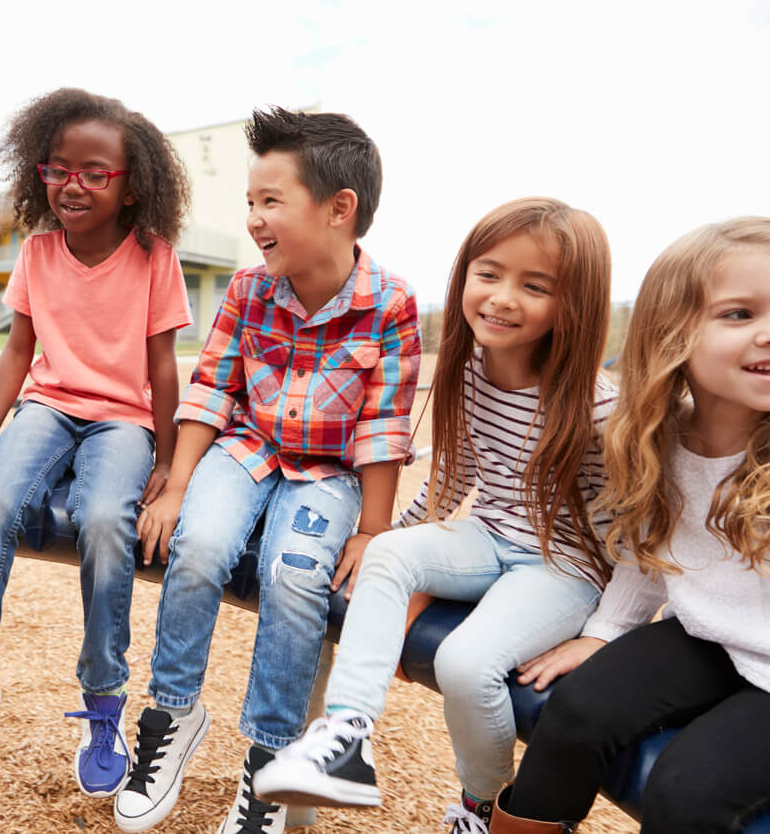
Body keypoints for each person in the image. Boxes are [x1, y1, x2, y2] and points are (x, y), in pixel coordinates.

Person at [255, 197, 617, 834]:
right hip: (490, 535)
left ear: (575, 304)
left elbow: (636, 532)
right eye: (489, 273)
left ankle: (480, 805)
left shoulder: (598, 406)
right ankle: (346, 739)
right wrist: (393, 537)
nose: (503, 297)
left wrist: (607, 630)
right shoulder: (470, 366)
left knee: (464, 664)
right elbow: (456, 478)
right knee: (388, 554)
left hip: (562, 566)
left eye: (535, 286)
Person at [113, 107, 421, 834]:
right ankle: (174, 713)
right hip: (247, 451)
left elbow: (382, 429)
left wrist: (373, 531)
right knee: (198, 548)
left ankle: (272, 763)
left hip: (328, 474)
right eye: (250, 202)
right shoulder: (250, 292)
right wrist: (179, 485)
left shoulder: (390, 304)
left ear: (339, 209)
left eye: (270, 201)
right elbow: (214, 388)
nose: (254, 218)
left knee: (294, 575)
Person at [0, 87, 191, 799]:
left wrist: (168, 465)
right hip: (48, 405)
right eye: (58, 169)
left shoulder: (153, 255)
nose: (74, 184)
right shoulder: (38, 252)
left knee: (105, 522)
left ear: (133, 187)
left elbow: (162, 367)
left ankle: (104, 705)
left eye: (95, 172)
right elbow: (17, 352)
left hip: (124, 420)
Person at [491, 218, 770, 834]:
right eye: (739, 314)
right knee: (575, 710)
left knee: (686, 790)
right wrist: (606, 631)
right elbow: (652, 549)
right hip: (712, 637)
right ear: (673, 333)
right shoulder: (661, 439)